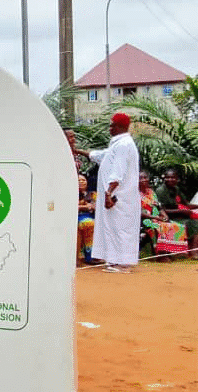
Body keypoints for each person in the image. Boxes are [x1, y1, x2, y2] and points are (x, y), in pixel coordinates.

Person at [90, 113, 141, 273]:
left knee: (120, 229)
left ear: (120, 127)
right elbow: (102, 156)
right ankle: (115, 261)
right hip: (119, 196)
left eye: (112, 125)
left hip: (119, 196)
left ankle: (122, 263)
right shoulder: (118, 144)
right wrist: (78, 151)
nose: (110, 128)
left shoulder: (123, 145)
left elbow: (118, 172)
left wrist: (109, 193)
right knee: (114, 228)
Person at [139, 170, 188, 258]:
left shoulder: (151, 192)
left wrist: (164, 215)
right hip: (144, 220)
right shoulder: (135, 194)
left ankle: (169, 252)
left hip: (156, 218)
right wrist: (156, 218)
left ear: (148, 179)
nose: (143, 180)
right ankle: (160, 255)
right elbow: (138, 213)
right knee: (159, 227)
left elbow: (159, 206)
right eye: (140, 178)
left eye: (145, 177)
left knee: (176, 226)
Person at [155, 168, 198, 254]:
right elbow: (161, 210)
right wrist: (181, 211)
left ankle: (192, 250)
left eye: (173, 177)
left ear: (177, 179)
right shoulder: (161, 191)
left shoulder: (176, 189)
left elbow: (186, 204)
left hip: (178, 216)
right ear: (164, 178)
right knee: (193, 224)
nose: (170, 180)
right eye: (168, 177)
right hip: (165, 217)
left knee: (195, 222)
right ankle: (192, 252)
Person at [77, 174, 96, 266]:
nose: (81, 182)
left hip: (91, 216)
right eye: (79, 180)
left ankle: (92, 256)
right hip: (76, 217)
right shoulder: (71, 194)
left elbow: (96, 206)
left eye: (83, 180)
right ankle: (87, 256)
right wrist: (85, 207)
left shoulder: (93, 194)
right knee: (88, 223)